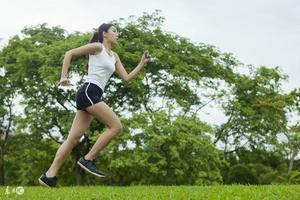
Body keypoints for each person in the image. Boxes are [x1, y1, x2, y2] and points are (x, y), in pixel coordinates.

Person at [38, 23, 150, 187]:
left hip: (93, 94)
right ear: (104, 34)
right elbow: (69, 53)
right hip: (89, 91)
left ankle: (49, 176)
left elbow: (126, 78)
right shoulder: (97, 47)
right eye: (114, 31)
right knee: (116, 126)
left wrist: (141, 63)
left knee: (73, 139)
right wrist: (63, 77)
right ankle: (88, 158)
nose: (117, 34)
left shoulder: (114, 56)